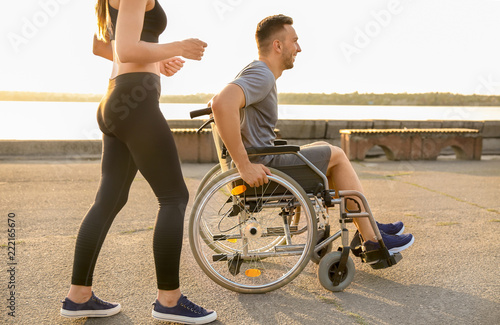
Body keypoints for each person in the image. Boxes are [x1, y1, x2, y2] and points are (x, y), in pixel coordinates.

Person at [60, 1, 217, 323]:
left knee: (109, 200)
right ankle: (169, 301)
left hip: (116, 98)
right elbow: (128, 49)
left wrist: (159, 61)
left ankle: (78, 296)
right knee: (174, 197)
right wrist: (178, 46)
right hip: (136, 103)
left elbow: (102, 47)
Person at [210, 14, 414, 254]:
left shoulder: (257, 72)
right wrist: (244, 165)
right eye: (294, 41)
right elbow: (221, 103)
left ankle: (367, 227)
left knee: (325, 152)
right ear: (278, 45)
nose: (299, 48)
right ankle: (371, 239)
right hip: (264, 169)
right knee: (336, 154)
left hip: (264, 162)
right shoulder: (262, 74)